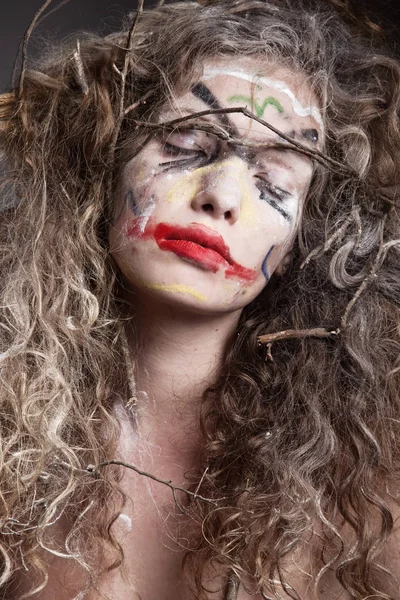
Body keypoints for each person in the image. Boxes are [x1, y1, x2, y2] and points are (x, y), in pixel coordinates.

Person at [1, 0, 400, 598]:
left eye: (274, 182)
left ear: (301, 241)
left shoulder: (366, 466)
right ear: (106, 163)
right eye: (187, 143)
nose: (222, 196)